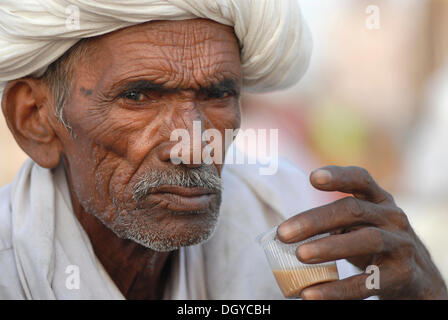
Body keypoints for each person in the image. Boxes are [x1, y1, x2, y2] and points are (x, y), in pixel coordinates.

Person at [0, 0, 446, 300]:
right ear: (35, 119)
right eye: (139, 97)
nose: (193, 144)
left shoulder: (280, 212)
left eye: (218, 94)